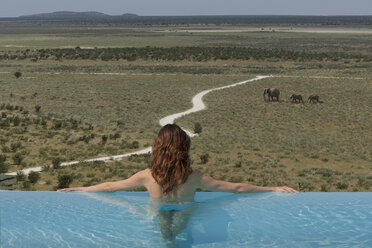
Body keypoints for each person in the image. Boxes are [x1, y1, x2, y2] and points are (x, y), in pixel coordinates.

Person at [58, 124, 298, 198]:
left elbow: (111, 187)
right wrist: (273, 188)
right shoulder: (194, 179)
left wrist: (80, 188)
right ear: (185, 149)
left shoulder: (147, 176)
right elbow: (236, 188)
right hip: (185, 225)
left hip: (159, 224)